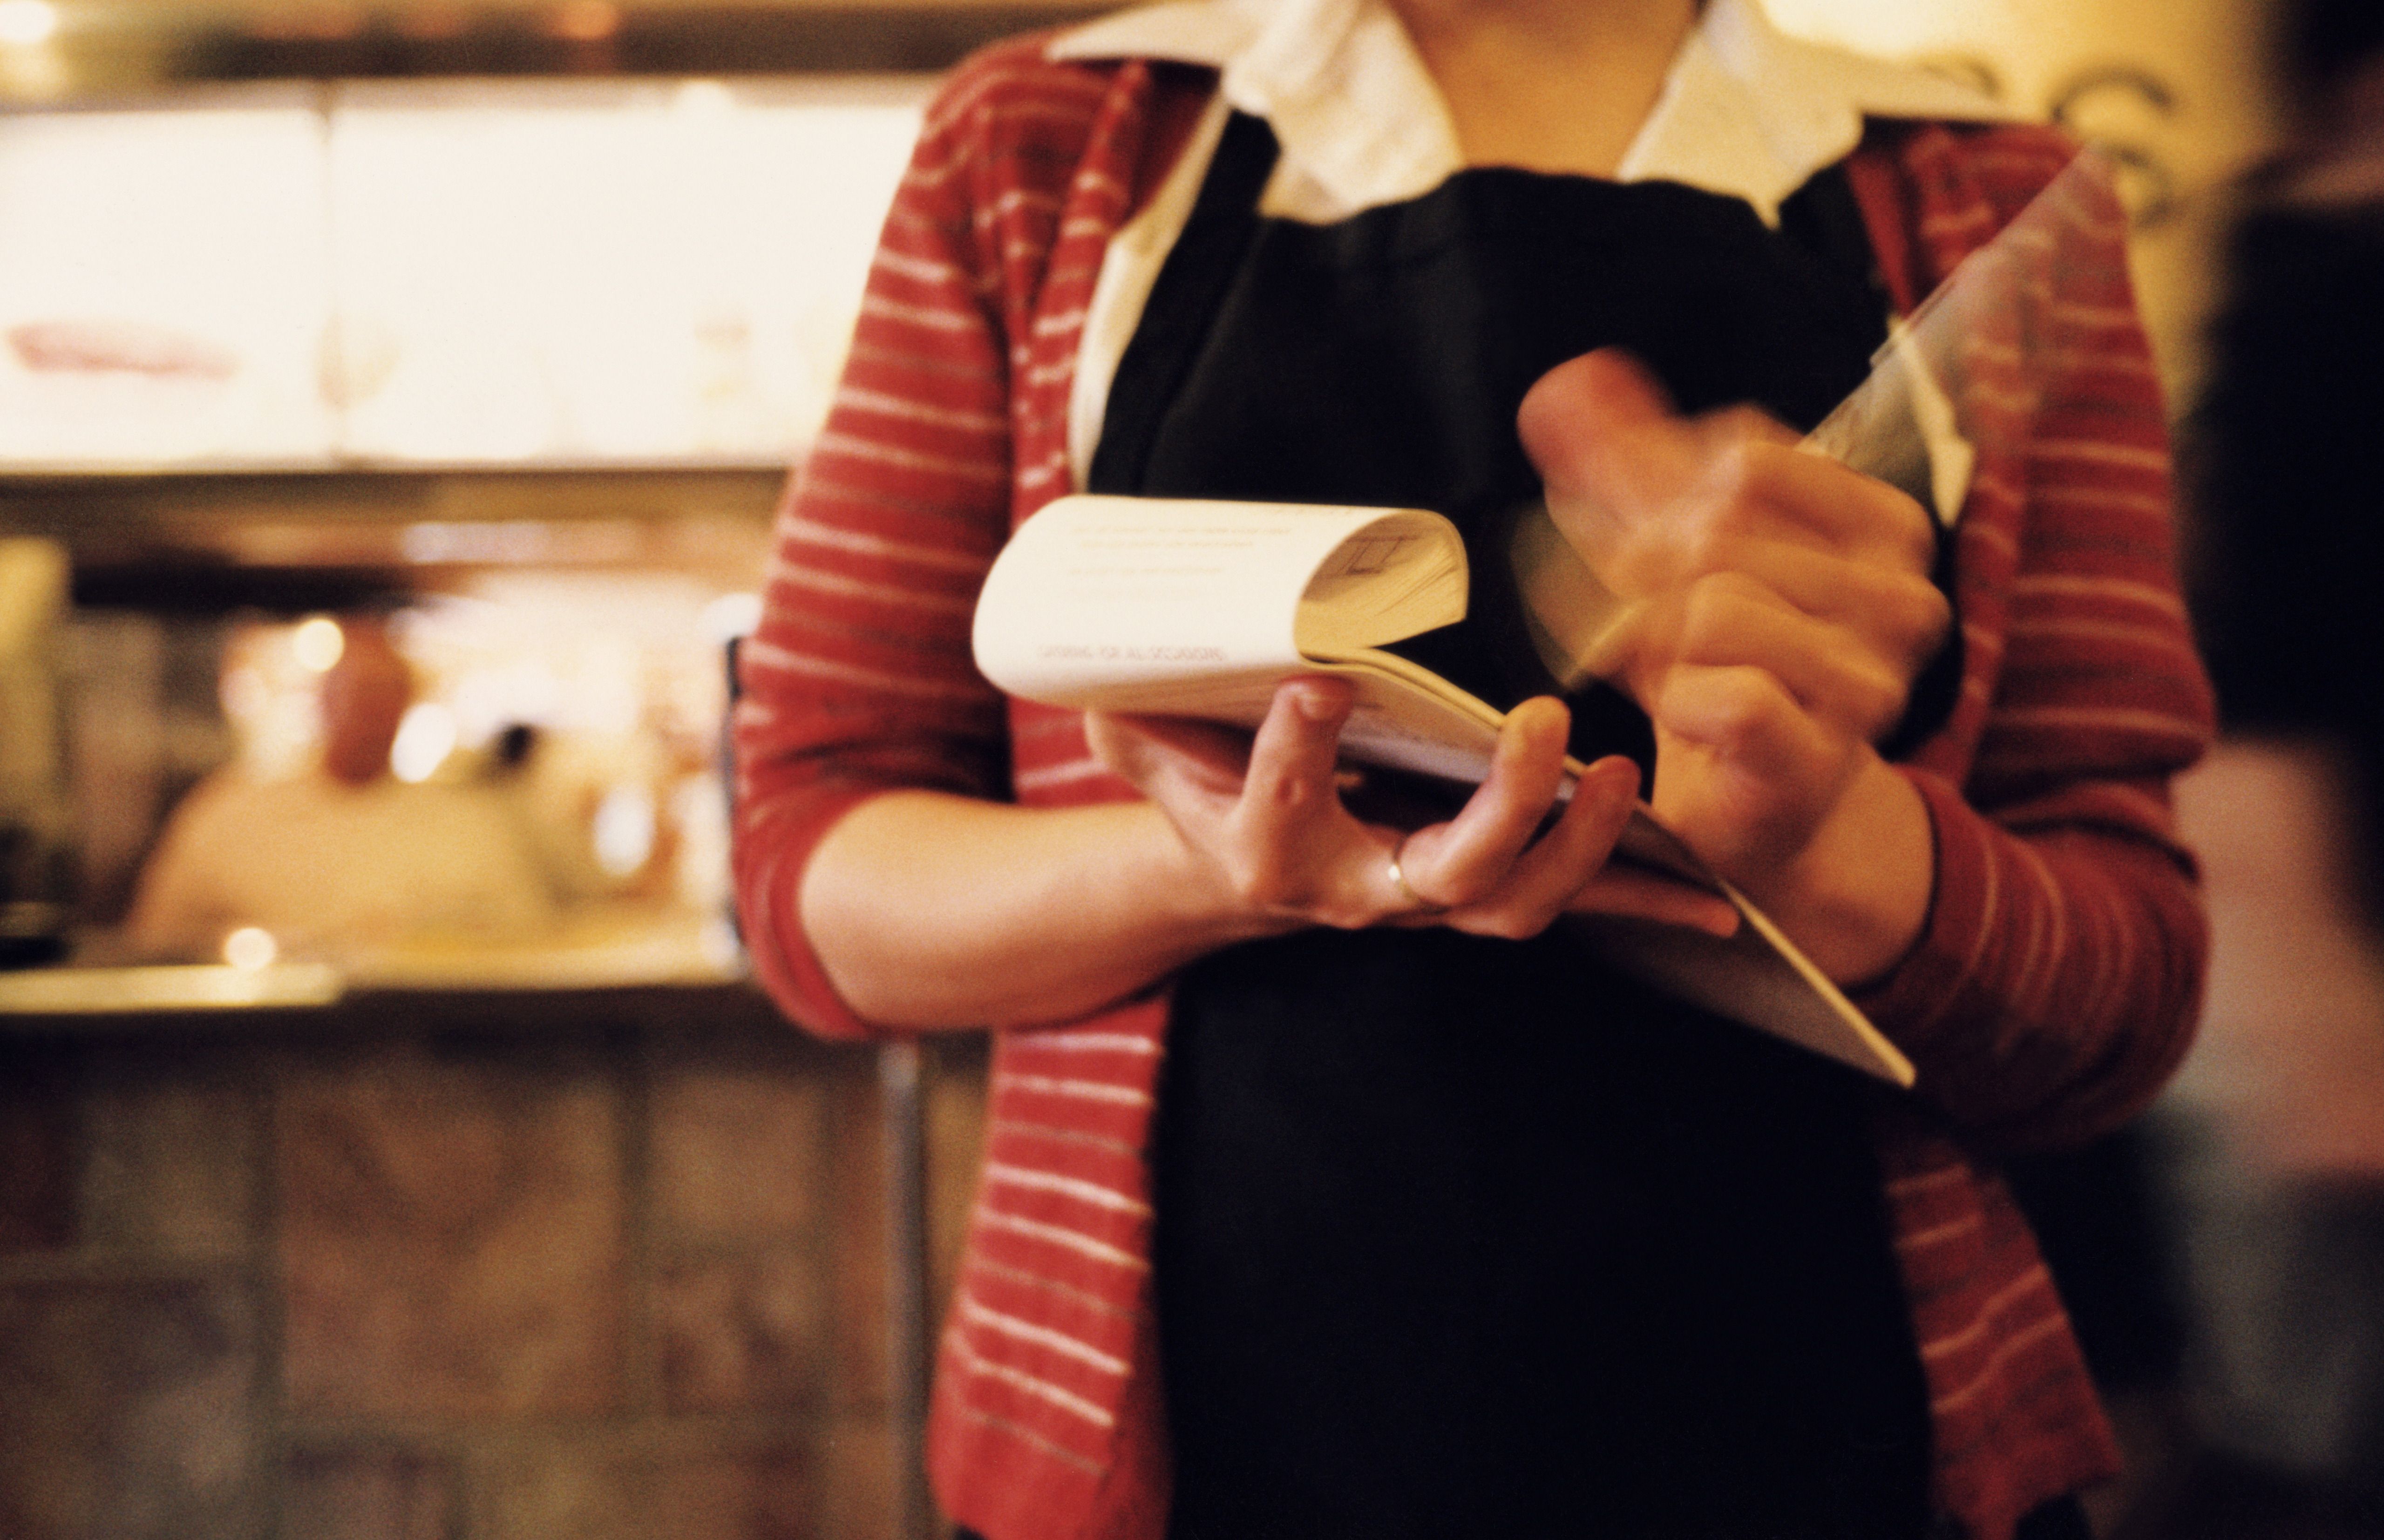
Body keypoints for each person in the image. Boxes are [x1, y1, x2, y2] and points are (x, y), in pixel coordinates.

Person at [730, 0, 2216, 1534]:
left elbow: (2129, 995)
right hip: (1213, 1449)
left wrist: (1820, 835)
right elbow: (809, 867)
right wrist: (1215, 861)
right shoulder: (1044, 150)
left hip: (1832, 1436)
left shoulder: (1983, 196)